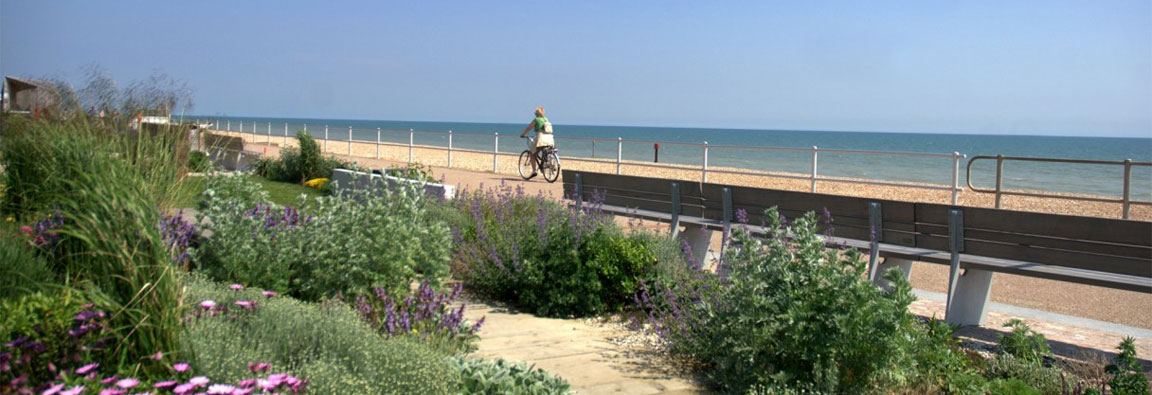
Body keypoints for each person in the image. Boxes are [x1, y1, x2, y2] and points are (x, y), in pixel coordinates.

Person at [519, 107, 554, 178]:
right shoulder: (546, 119)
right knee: (544, 150)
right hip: (549, 139)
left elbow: (529, 128)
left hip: (540, 138)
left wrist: (523, 134)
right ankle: (544, 165)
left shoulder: (536, 120)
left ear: (536, 114)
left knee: (532, 153)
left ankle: (534, 170)